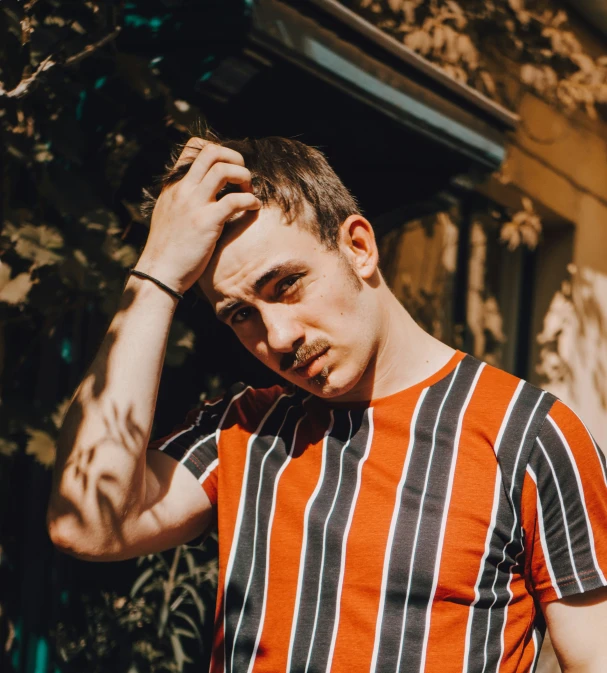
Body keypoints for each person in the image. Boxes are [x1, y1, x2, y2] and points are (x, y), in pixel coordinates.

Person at [47, 132, 607, 673]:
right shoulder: (244, 429)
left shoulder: (529, 434)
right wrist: (156, 275)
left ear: (358, 247)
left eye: (286, 284)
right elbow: (87, 525)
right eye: (241, 314)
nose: (279, 335)